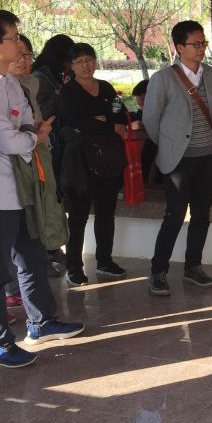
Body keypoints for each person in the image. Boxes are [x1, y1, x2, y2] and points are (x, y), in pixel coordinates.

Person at [0, 9, 83, 368]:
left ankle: (41, 322)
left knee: (32, 258)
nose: (19, 45)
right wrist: (31, 137)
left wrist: (28, 135)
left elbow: (26, 124)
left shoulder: (9, 83)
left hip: (22, 188)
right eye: (12, 38)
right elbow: (12, 139)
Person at [142, 21, 212, 296]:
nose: (201, 49)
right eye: (195, 44)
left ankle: (193, 266)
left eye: (203, 43)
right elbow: (150, 120)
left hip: (207, 154)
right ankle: (158, 271)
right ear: (179, 47)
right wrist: (170, 145)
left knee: (202, 214)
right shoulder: (163, 79)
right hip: (178, 159)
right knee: (174, 215)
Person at [57, 43, 128, 286]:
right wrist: (107, 124)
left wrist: (101, 122)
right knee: (78, 217)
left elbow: (120, 114)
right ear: (72, 66)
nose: (86, 65)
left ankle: (105, 260)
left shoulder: (106, 87)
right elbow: (78, 123)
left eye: (89, 59)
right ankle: (74, 266)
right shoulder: (68, 92)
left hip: (108, 158)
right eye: (80, 61)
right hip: (80, 161)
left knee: (107, 213)